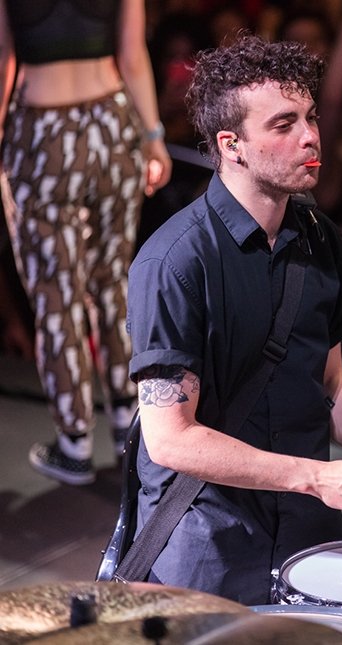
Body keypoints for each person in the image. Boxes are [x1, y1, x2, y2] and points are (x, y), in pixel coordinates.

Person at [125, 34, 342, 605]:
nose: (311, 136)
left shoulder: (323, 241)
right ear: (232, 144)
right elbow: (169, 440)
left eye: (311, 118)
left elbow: (329, 382)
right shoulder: (175, 262)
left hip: (306, 532)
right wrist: (315, 475)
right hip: (207, 541)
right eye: (284, 124)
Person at [0, 0, 172, 485]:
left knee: (56, 292)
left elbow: (3, 58)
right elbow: (132, 55)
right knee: (114, 279)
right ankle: (128, 424)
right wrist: (153, 136)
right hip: (111, 122)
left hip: (41, 129)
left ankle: (74, 441)